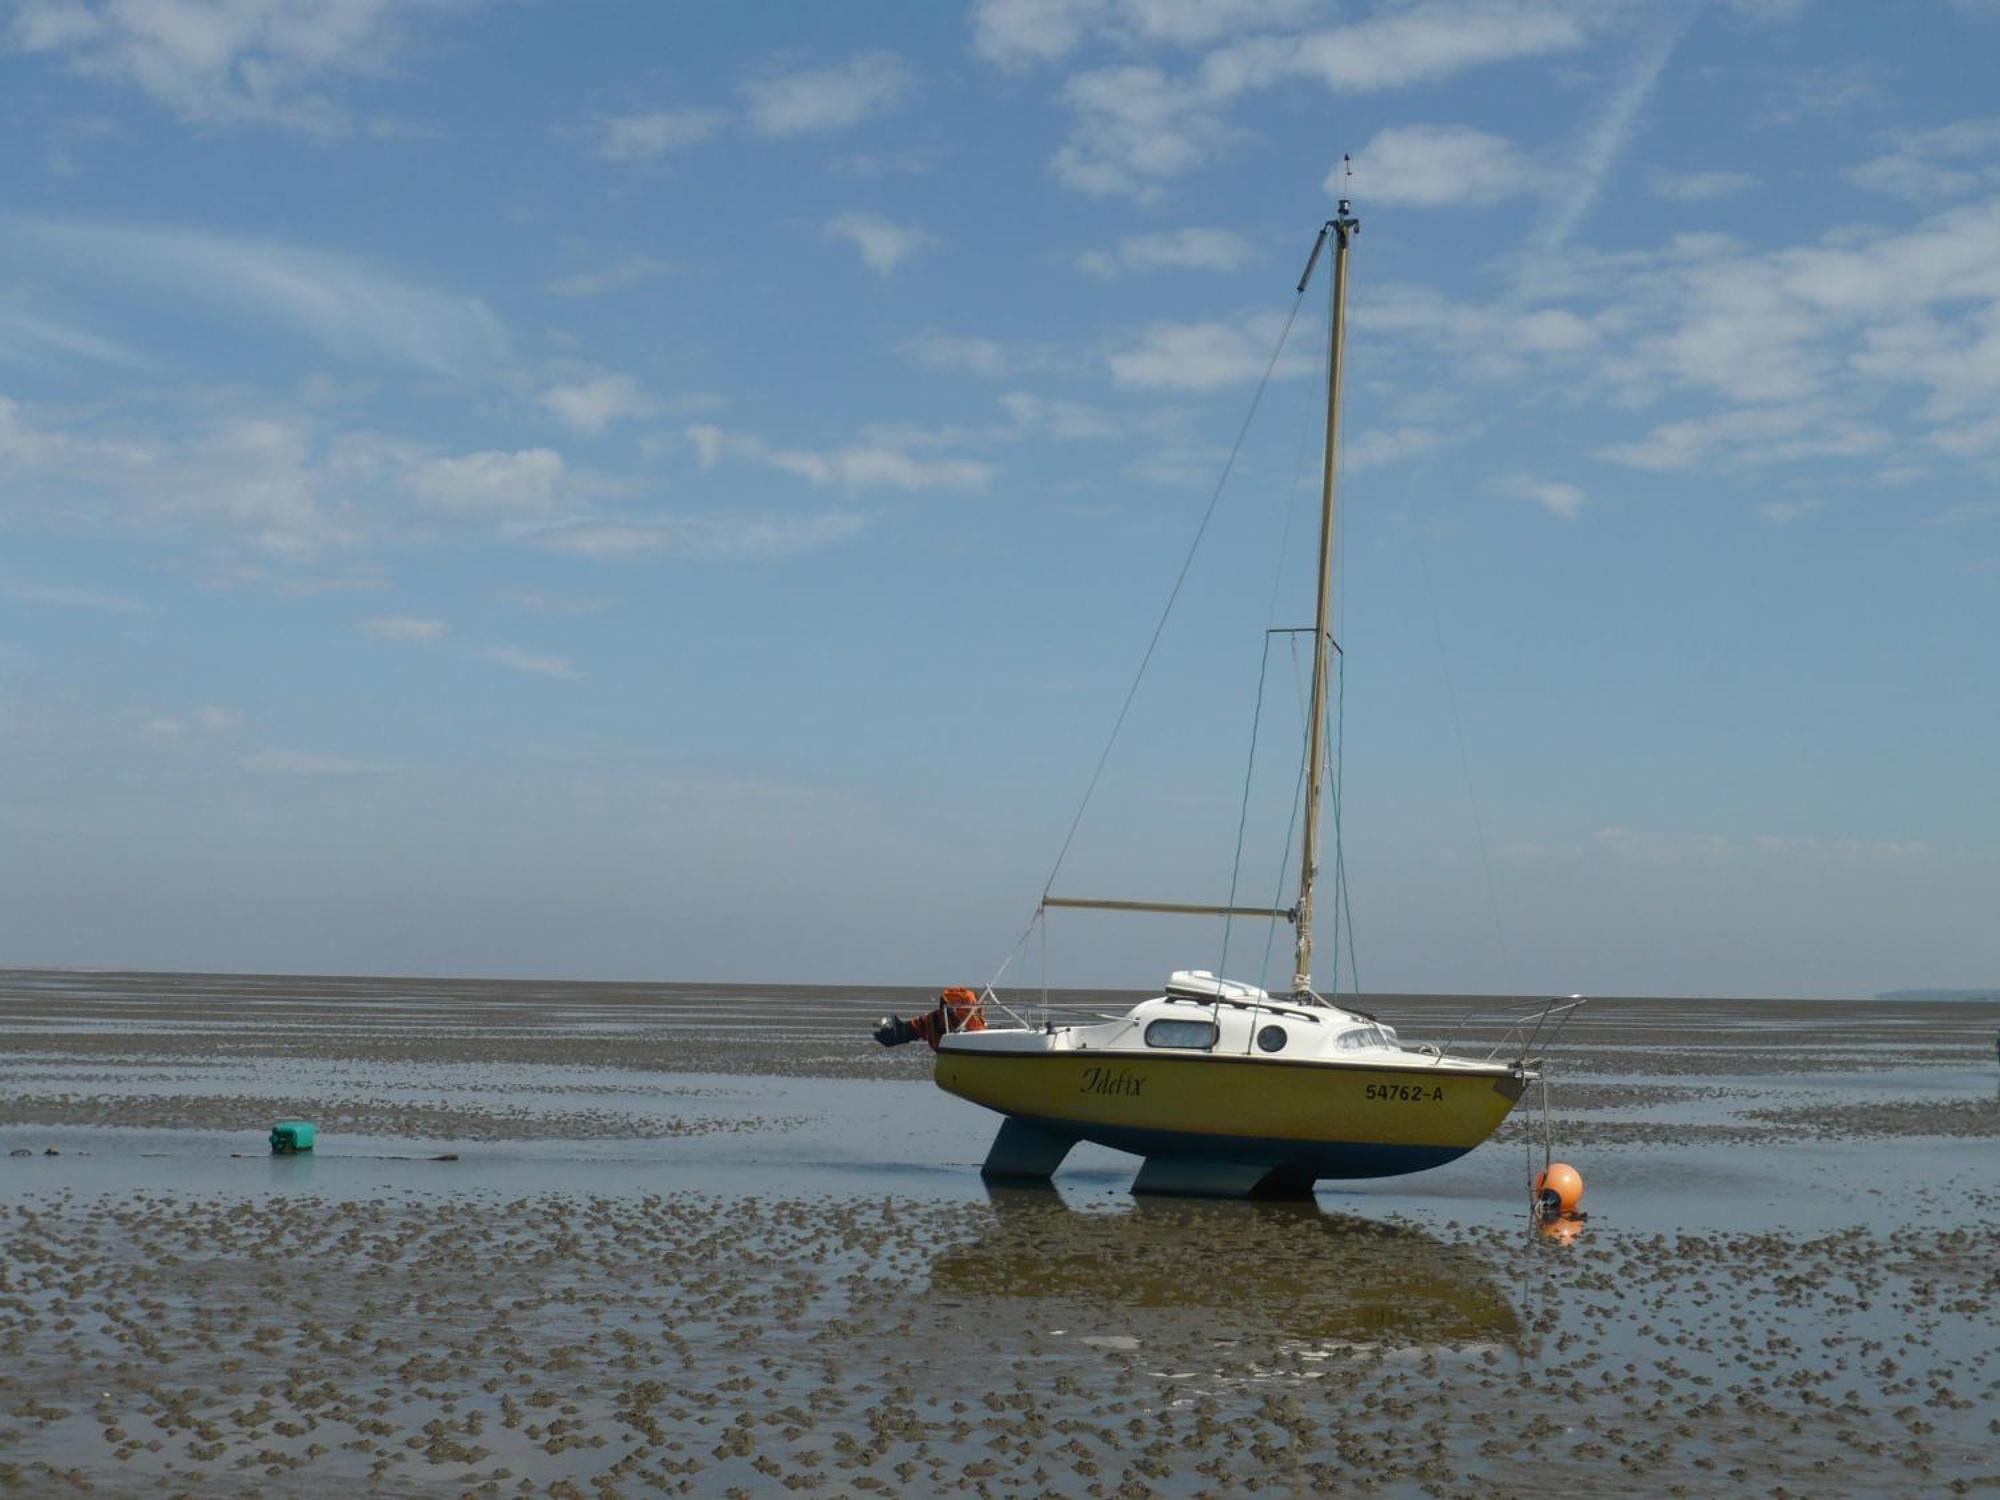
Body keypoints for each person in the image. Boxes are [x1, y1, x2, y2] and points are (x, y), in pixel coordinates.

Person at [873, 988, 985, 1051]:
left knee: (907, 1030)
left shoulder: (972, 1014)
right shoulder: (936, 1018)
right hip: (923, 1028)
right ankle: (886, 1028)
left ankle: (887, 1028)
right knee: (906, 1030)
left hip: (928, 1028)